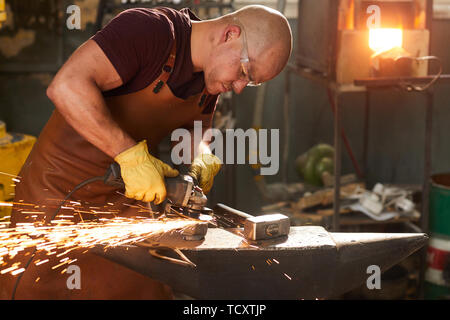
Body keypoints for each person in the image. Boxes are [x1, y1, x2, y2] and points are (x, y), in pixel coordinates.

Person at [3, 4, 292, 299]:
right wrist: (129, 154)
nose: (241, 86)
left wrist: (201, 156)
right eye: (244, 71)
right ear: (230, 34)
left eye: (251, 81)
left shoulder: (210, 79)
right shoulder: (148, 31)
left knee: (146, 290)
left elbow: (194, 132)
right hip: (57, 199)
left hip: (125, 203)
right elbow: (66, 86)